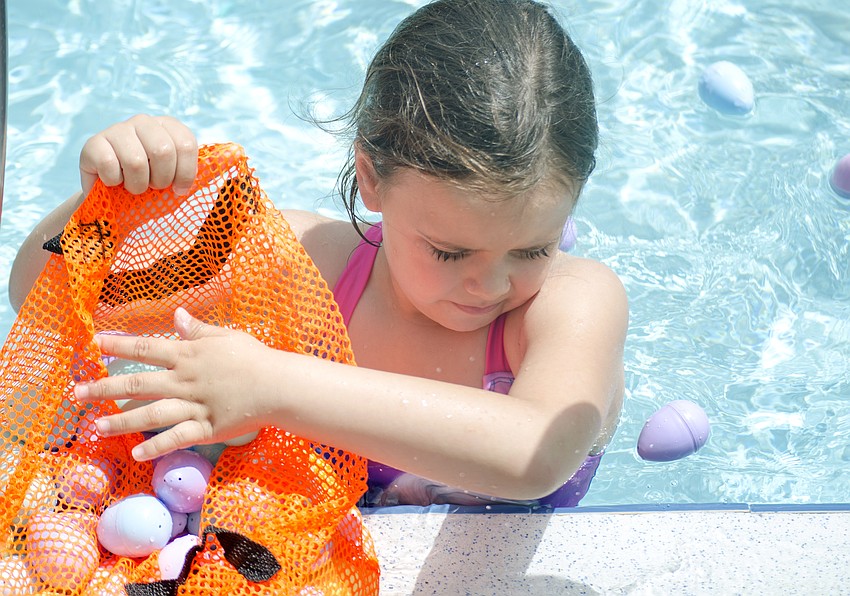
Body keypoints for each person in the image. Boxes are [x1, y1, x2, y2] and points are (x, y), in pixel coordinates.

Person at [9, 0, 627, 508]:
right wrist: (104, 202)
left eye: (533, 248)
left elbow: (534, 454)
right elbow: (45, 296)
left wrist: (271, 384)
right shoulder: (306, 265)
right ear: (372, 179)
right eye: (448, 252)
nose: (489, 286)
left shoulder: (570, 304)